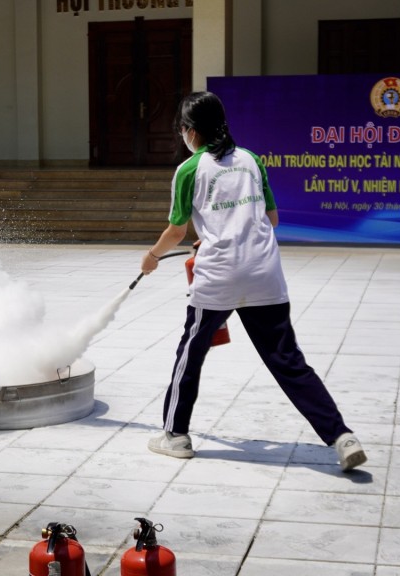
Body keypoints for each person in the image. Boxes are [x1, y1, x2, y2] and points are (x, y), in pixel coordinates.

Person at [140, 91, 366, 471]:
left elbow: (176, 231)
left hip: (218, 276)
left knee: (190, 356)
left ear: (191, 132)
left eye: (182, 129)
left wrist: (151, 257)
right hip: (265, 273)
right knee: (289, 361)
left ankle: (175, 436)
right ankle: (342, 437)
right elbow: (271, 220)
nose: (182, 135)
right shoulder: (251, 160)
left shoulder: (190, 169)